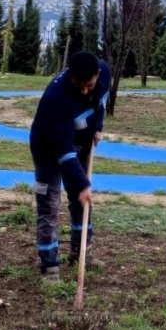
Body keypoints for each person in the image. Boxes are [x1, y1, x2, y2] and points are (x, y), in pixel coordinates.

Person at [28, 51, 110, 284]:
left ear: (98, 74)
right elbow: (63, 152)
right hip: (48, 149)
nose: (84, 90)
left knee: (80, 201)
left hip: (80, 143)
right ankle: (50, 266)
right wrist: (83, 184)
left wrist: (98, 127)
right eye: (78, 85)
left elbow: (100, 103)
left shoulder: (105, 72)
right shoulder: (57, 98)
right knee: (50, 205)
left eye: (89, 85)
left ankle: (82, 253)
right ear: (69, 78)